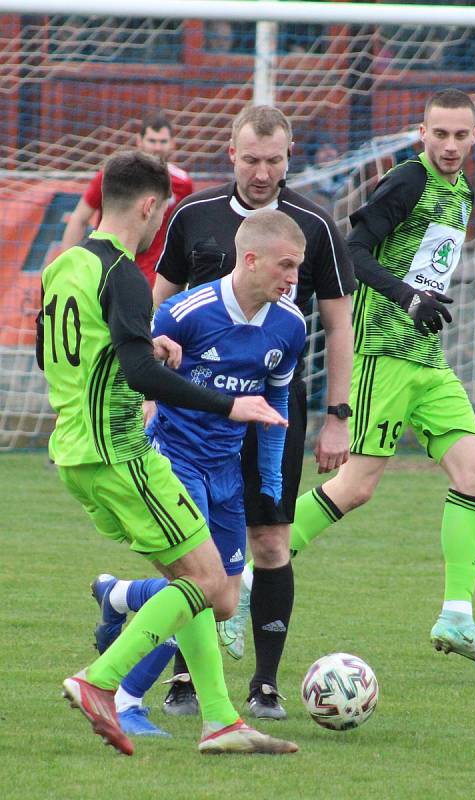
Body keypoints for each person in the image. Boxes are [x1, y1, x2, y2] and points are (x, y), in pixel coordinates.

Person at [234, 88, 475, 674]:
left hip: (425, 359)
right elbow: (353, 252)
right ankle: (240, 584)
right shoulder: (407, 181)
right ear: (421, 133)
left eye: (461, 134)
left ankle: (457, 615)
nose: (450, 145)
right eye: (439, 134)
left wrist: (420, 302)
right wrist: (407, 296)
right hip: (382, 354)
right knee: (356, 487)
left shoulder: (460, 190)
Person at [37, 149, 298, 756]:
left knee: (195, 582)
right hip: (123, 454)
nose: (161, 226)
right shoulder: (123, 273)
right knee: (215, 585)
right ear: (150, 207)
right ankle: (99, 681)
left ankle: (220, 722)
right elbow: (139, 378)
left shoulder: (65, 265)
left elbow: (79, 355)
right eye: (163, 214)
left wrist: (145, 344)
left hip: (76, 453)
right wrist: (229, 405)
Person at [153, 105, 355, 720]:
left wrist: (337, 413)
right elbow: (157, 306)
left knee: (270, 539)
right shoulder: (193, 215)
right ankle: (184, 676)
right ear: (231, 153)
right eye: (251, 159)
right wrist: (142, 394)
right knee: (191, 547)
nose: (262, 172)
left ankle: (265, 685)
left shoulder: (313, 225)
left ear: (289, 155)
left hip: (271, 411)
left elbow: (337, 321)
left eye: (274, 160)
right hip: (195, 414)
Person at [89, 209, 307, 737]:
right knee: (195, 588)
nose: (293, 278)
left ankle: (119, 594)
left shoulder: (290, 326)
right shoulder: (185, 312)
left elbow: (276, 400)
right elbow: (138, 379)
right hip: (174, 462)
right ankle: (125, 697)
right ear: (250, 260)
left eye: (298, 268)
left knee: (224, 598)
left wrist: (272, 481)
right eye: (285, 266)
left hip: (226, 472)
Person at [61, 112, 193, 287]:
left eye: (163, 142)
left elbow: (185, 232)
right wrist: (68, 269)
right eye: (152, 141)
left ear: (172, 144)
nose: (157, 147)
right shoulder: (113, 174)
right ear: (139, 141)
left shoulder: (182, 183)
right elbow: (79, 218)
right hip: (107, 270)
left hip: (153, 278)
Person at [301, 138, 349, 216]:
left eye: (332, 148)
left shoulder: (347, 183)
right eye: (322, 149)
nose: (329, 153)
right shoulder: (303, 185)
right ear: (313, 156)